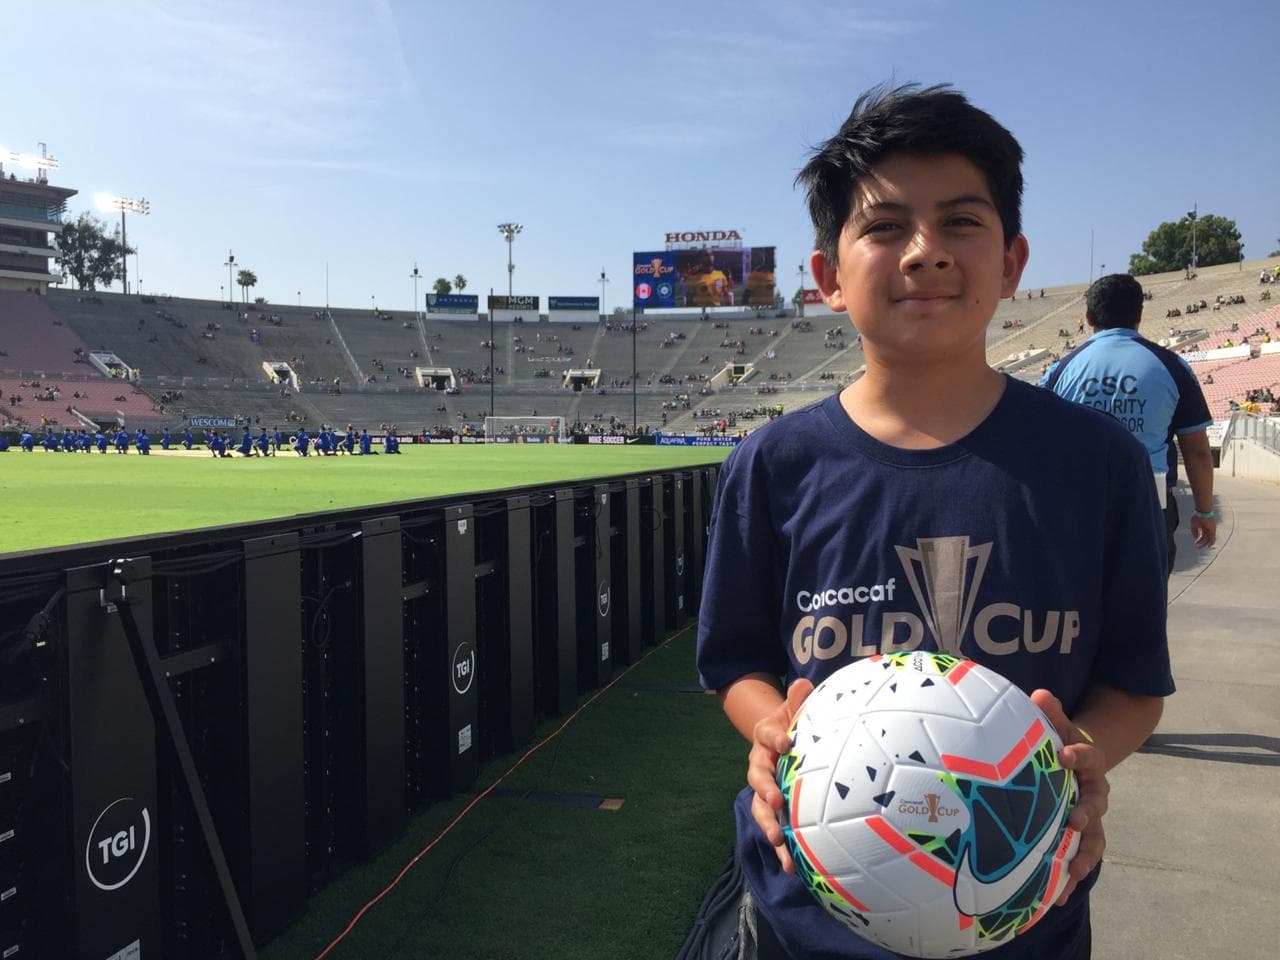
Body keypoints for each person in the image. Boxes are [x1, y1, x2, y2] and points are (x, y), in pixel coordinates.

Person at [694, 84, 1171, 960]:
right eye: (885, 227)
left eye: (960, 222)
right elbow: (736, 663)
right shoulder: (771, 466)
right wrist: (775, 733)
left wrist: (1075, 759)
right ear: (829, 278)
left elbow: (1135, 685)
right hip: (803, 914)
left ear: (1011, 262)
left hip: (1025, 912)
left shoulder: (1096, 464)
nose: (926, 252)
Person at [1041, 274, 1216, 575]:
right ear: (1139, 313)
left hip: (1077, 504)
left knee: (1078, 597)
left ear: (1088, 317)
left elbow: (1040, 445)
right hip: (1149, 504)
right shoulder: (1172, 366)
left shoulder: (1060, 370)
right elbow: (1197, 450)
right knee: (1144, 599)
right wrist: (1204, 511)